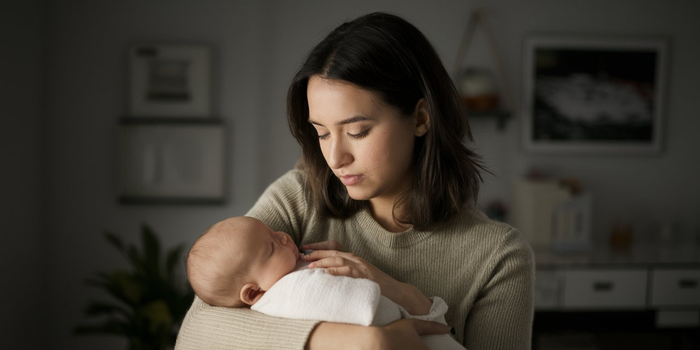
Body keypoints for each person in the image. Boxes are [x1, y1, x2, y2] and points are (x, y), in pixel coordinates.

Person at [175, 11, 534, 350]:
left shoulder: (499, 258)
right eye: (322, 133)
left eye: (358, 131)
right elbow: (195, 333)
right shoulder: (299, 197)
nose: (335, 159)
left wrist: (401, 294)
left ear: (421, 118)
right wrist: (365, 342)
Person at [185, 216, 465, 350]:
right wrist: (375, 340)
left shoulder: (282, 270)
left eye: (273, 231)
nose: (283, 236)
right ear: (254, 291)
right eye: (271, 246)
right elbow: (358, 302)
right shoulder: (286, 292)